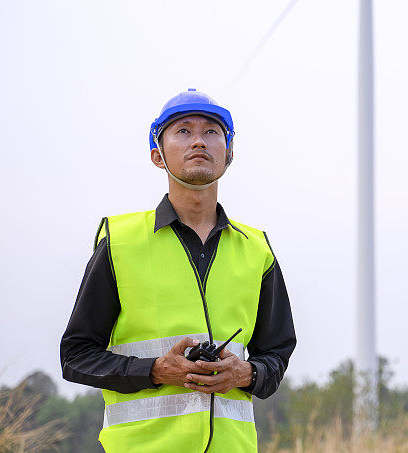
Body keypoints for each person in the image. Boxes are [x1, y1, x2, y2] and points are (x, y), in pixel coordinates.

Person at [60, 89, 296, 452]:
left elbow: (277, 352)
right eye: (183, 131)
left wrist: (246, 373)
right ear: (158, 155)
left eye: (212, 132)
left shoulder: (257, 249)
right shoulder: (121, 241)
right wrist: (154, 370)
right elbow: (76, 356)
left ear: (229, 153)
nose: (199, 141)